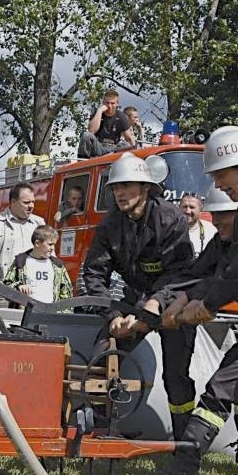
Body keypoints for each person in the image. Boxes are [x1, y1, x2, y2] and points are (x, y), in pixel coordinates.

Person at [163, 126, 238, 475]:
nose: (217, 185)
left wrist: (208, 304)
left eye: (221, 177)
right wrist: (193, 298)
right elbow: (223, 268)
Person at [82, 152, 196, 439]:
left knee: (176, 376)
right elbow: (95, 274)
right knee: (102, 359)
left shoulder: (170, 218)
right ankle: (103, 433)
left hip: (174, 303)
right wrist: (113, 316)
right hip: (134, 302)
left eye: (127, 186)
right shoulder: (109, 226)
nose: (120, 193)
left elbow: (180, 274)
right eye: (116, 187)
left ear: (146, 188)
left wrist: (152, 305)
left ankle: (183, 444)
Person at [154, 185, 238, 475]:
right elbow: (198, 273)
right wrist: (176, 300)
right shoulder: (222, 241)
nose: (217, 222)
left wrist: (205, 303)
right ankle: (191, 464)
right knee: (227, 390)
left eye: (225, 216)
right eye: (214, 215)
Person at [0, 182, 45, 284]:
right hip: (0, 293)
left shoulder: (39, 224)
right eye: (26, 202)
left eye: (33, 202)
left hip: (32, 292)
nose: (31, 206)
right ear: (13, 202)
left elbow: (50, 257)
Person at [4, 225, 73, 303]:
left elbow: (67, 294)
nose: (53, 248)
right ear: (37, 243)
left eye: (54, 244)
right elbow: (6, 287)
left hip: (50, 313)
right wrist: (18, 287)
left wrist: (62, 314)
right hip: (25, 313)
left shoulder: (58, 265)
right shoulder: (21, 261)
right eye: (50, 244)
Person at [78, 89, 135, 158]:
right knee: (86, 135)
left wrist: (136, 155)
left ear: (117, 103)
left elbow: (129, 138)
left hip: (114, 149)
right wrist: (100, 111)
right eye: (107, 103)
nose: (109, 106)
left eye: (112, 103)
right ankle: (83, 162)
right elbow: (91, 131)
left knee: (126, 145)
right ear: (103, 102)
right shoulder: (97, 113)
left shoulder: (122, 116)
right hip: (99, 146)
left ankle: (109, 157)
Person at [179, 193, 217, 258]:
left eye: (192, 207)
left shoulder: (212, 229)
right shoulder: (170, 229)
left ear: (200, 209)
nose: (188, 211)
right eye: (184, 207)